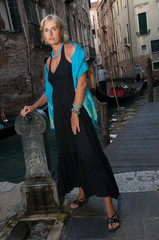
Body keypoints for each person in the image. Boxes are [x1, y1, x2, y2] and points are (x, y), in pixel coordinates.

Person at [21, 14, 120, 231]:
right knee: (71, 155)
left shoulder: (74, 50)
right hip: (61, 119)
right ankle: (82, 193)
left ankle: (110, 208)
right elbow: (49, 92)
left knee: (89, 154)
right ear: (43, 35)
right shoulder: (48, 63)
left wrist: (75, 112)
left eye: (54, 28)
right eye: (46, 30)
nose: (50, 33)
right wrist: (34, 106)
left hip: (77, 113)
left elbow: (82, 83)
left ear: (61, 30)